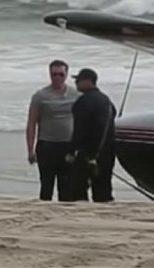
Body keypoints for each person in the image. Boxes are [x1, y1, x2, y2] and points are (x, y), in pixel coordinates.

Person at [26, 59, 80, 201]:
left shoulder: (76, 95)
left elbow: (84, 121)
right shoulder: (40, 96)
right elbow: (32, 123)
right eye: (54, 74)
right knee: (46, 185)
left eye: (61, 74)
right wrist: (30, 150)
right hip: (47, 145)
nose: (57, 78)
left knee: (66, 187)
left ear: (66, 75)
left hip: (68, 145)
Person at [68, 68, 117, 202]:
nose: (76, 83)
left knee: (77, 189)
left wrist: (71, 152)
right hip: (108, 152)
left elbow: (79, 130)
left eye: (78, 80)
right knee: (103, 188)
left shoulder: (83, 102)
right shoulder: (107, 101)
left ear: (88, 81)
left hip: (87, 154)